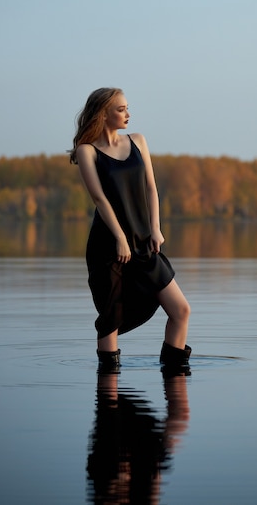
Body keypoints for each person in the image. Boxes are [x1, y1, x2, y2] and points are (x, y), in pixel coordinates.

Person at [69, 87, 191, 374]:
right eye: (121, 109)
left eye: (127, 107)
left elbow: (151, 187)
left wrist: (155, 228)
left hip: (144, 240)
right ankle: (109, 396)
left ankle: (174, 380)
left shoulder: (138, 141)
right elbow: (99, 199)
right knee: (110, 318)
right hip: (108, 244)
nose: (128, 114)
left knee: (180, 310)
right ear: (103, 114)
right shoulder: (87, 151)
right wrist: (120, 238)